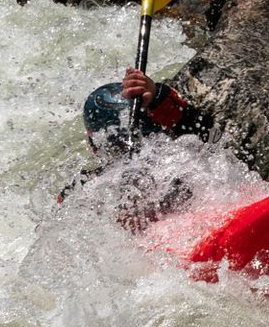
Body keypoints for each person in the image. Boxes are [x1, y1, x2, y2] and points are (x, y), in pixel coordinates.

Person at [69, 67, 213, 228]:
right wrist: (159, 98)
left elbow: (210, 135)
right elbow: (209, 135)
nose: (132, 156)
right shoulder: (89, 190)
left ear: (94, 146)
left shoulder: (85, 192)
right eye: (120, 149)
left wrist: (158, 96)